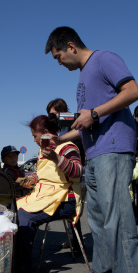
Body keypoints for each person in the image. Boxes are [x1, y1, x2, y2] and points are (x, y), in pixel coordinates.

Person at [45, 26, 138, 273]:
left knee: (117, 217)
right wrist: (59, 139)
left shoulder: (104, 58)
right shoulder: (83, 76)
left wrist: (94, 112)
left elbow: (133, 91)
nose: (59, 63)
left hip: (114, 148)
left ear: (71, 46)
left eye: (58, 57)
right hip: (94, 153)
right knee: (98, 219)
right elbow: (85, 125)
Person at [16, 114, 82, 273]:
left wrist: (57, 158)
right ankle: (15, 257)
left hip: (65, 201)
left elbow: (78, 172)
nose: (33, 140)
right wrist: (32, 178)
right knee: (11, 208)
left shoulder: (67, 147)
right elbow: (47, 174)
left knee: (25, 217)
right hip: (45, 197)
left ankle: (22, 266)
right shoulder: (42, 151)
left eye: (35, 136)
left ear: (45, 132)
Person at [46, 98, 85, 254]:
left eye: (54, 114)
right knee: (67, 206)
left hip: (75, 168)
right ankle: (72, 239)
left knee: (74, 206)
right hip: (61, 171)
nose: (52, 117)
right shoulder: (54, 128)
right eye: (50, 114)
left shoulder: (74, 124)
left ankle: (77, 242)